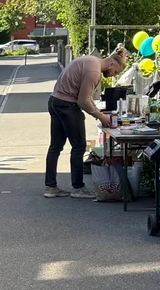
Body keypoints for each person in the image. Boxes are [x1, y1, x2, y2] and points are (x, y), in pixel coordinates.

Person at [45, 47, 128, 199]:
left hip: (55, 100)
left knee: (55, 146)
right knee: (79, 147)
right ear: (111, 63)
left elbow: (86, 97)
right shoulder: (94, 72)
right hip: (67, 105)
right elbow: (83, 101)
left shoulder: (88, 60)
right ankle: (78, 188)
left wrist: (98, 114)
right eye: (116, 72)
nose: (113, 76)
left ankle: (51, 187)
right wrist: (100, 116)